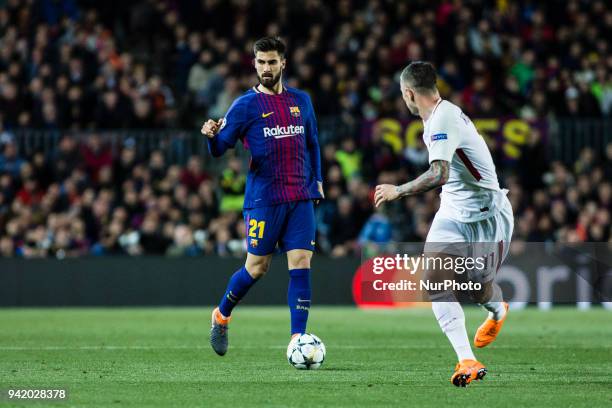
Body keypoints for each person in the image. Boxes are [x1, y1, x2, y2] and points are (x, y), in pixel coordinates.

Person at [374, 61, 514, 387]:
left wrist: (399, 190)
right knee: (434, 279)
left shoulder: (443, 119)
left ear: (408, 93)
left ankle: (497, 310)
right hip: (452, 212)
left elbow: (440, 173)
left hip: (487, 217)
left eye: (402, 94)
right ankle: (467, 360)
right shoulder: (437, 116)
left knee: (478, 288)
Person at [200, 37, 324, 356]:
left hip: (300, 194)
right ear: (254, 64)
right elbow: (219, 149)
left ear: (283, 63)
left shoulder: (302, 101)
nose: (266, 68)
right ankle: (221, 315)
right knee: (257, 268)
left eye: (271, 62)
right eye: (260, 62)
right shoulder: (245, 106)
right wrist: (211, 137)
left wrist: (319, 181)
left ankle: (298, 338)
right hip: (264, 199)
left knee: (301, 261)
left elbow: (312, 143)